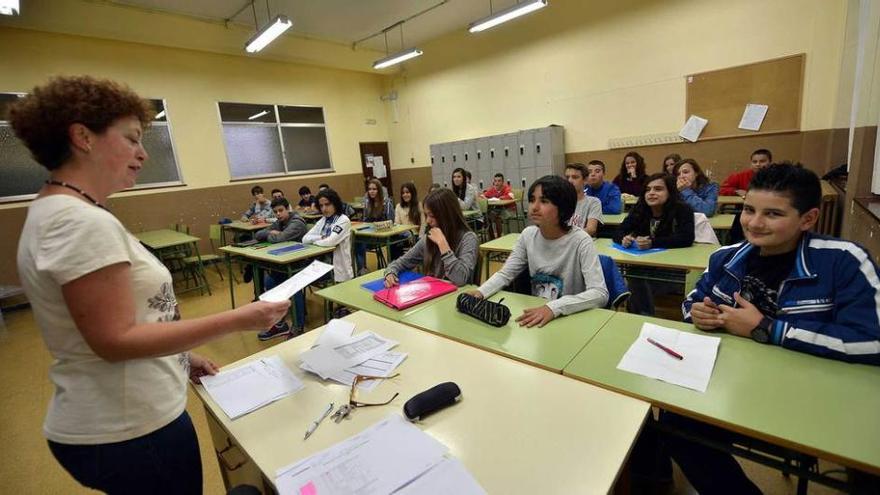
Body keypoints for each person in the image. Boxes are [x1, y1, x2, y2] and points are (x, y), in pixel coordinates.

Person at [10, 76, 290, 494]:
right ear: (83, 137)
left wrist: (180, 355)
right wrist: (240, 318)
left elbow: (122, 324)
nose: (143, 153)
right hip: (128, 426)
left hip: (118, 414)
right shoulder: (80, 221)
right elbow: (115, 340)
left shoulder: (61, 211)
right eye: (131, 139)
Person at [667, 163, 880, 494]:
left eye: (773, 214)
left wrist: (767, 328)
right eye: (749, 209)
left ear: (807, 219)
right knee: (673, 424)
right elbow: (691, 301)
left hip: (813, 399)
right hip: (737, 388)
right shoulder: (726, 258)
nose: (754, 223)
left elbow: (872, 342)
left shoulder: (844, 261)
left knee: (869, 458)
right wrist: (696, 313)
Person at [467, 175, 608, 327]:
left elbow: (600, 293)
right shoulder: (528, 235)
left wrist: (553, 307)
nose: (534, 207)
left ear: (563, 207)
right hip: (537, 317)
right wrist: (481, 292)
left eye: (544, 201)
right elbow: (506, 274)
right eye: (532, 200)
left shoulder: (581, 241)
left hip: (570, 318)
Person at [614, 173, 694, 315]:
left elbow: (686, 238)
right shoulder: (640, 209)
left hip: (673, 268)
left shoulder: (682, 209)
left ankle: (640, 316)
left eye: (658, 189)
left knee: (637, 281)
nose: (651, 193)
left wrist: (652, 243)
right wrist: (624, 238)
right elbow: (619, 230)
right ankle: (641, 316)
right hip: (645, 264)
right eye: (648, 189)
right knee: (635, 275)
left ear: (670, 191)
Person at [384, 189, 478, 288]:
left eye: (432, 216)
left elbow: (460, 279)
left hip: (455, 297)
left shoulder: (468, 238)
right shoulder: (429, 238)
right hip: (434, 295)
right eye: (426, 215)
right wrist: (390, 273)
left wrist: (443, 245)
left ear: (448, 215)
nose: (428, 221)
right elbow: (400, 263)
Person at [254, 197, 309, 340]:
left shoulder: (297, 222)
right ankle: (280, 323)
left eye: (281, 210)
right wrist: (270, 233)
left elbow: (279, 239)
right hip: (285, 263)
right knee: (270, 281)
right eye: (275, 212)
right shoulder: (280, 223)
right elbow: (258, 234)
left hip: (303, 263)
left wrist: (274, 235)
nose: (278, 214)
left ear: (288, 209)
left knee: (292, 286)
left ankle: (298, 325)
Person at [303, 188, 354, 283]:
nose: (324, 209)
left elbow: (331, 242)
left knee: (300, 276)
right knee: (297, 275)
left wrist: (314, 241)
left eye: (327, 204)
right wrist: (321, 238)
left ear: (335, 203)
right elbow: (305, 239)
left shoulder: (343, 220)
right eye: (321, 205)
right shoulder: (323, 220)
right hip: (320, 264)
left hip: (336, 268)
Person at [355, 178, 393, 274]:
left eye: (374, 189)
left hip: (384, 235)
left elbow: (391, 221)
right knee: (357, 241)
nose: (371, 191)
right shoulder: (368, 203)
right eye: (370, 189)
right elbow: (365, 220)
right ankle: (362, 269)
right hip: (371, 235)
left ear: (379, 190)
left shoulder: (386, 203)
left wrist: (377, 225)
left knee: (362, 242)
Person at [564, 163, 603, 237]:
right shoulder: (559, 201)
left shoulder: (593, 202)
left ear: (585, 180)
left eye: (575, 177)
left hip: (582, 243)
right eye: (567, 177)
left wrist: (566, 237)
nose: (570, 181)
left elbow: (591, 229)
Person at [390, 182, 426, 259]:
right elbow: (397, 224)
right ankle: (394, 265)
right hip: (404, 235)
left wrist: (420, 238)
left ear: (412, 193)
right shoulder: (398, 206)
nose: (405, 195)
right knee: (392, 244)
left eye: (407, 192)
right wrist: (405, 232)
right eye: (403, 193)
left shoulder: (419, 205)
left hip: (416, 236)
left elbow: (423, 224)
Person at [480, 173, 516, 239]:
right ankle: (492, 238)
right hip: (497, 210)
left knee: (496, 217)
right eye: (495, 181)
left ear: (502, 182)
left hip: (508, 210)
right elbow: (482, 196)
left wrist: (500, 198)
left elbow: (511, 196)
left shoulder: (506, 188)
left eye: (499, 181)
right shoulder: (493, 189)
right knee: (487, 217)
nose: (497, 183)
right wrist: (486, 198)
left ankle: (499, 237)